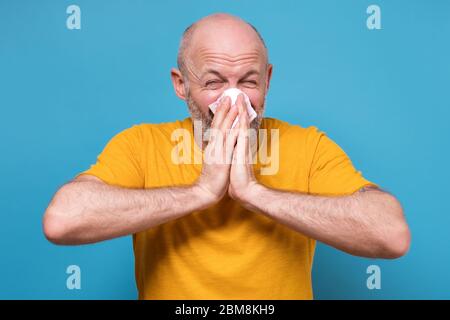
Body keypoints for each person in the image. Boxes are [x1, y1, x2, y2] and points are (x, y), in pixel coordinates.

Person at [43, 13, 411, 299]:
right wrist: (200, 192)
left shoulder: (307, 147)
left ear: (267, 80)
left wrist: (254, 192)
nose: (234, 101)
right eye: (214, 82)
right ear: (181, 84)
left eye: (248, 82)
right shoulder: (142, 145)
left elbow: (391, 234)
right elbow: (62, 221)